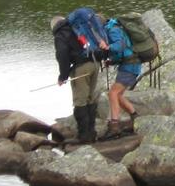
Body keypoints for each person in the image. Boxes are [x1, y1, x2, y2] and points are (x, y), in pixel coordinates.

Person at [51, 15, 108, 143]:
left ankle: (84, 136)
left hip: (81, 68)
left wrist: (63, 76)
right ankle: (92, 132)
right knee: (90, 98)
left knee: (80, 101)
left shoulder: (61, 34)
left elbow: (62, 55)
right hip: (95, 63)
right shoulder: (76, 27)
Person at [101, 15, 140, 137]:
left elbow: (120, 46)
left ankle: (115, 126)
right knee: (117, 94)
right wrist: (111, 61)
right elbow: (122, 50)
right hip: (130, 64)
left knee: (112, 93)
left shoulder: (112, 29)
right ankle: (135, 117)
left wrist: (108, 47)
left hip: (130, 65)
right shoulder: (113, 27)